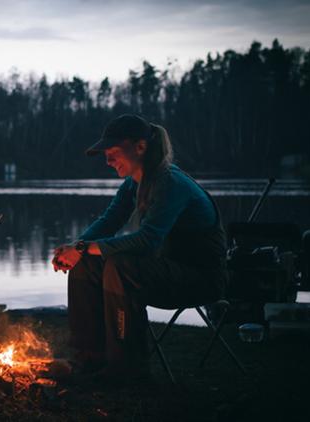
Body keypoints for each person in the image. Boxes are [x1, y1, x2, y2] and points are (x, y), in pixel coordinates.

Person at [52, 114, 227, 380]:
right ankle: (89, 357)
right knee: (86, 263)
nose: (108, 161)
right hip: (166, 271)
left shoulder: (170, 183)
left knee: (119, 266)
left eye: (113, 152)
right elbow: (110, 220)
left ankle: (125, 367)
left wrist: (84, 247)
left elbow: (147, 241)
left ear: (140, 147)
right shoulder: (135, 182)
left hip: (200, 278)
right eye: (106, 154)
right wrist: (78, 249)